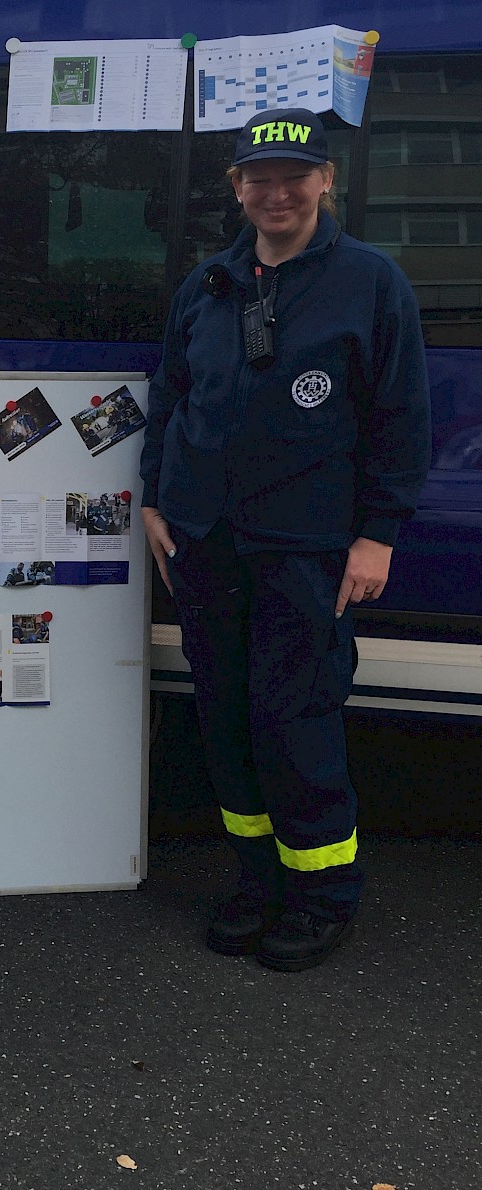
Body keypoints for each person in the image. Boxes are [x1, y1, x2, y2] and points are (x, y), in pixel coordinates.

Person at [140, 108, 430, 972]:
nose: (276, 192)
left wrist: (377, 535)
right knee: (226, 721)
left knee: (294, 720)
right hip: (205, 542)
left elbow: (400, 418)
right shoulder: (210, 284)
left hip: (305, 548)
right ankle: (258, 880)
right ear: (235, 188)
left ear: (326, 181)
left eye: (294, 176)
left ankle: (322, 896)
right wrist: (156, 500)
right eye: (257, 178)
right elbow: (170, 394)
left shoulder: (371, 282)